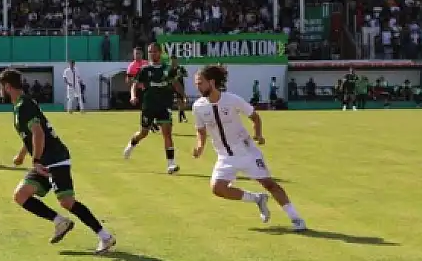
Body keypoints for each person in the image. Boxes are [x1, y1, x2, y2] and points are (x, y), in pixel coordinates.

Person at [0, 69, 115, 252]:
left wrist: (35, 159)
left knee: (67, 202)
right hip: (45, 160)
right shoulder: (22, 105)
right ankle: (60, 222)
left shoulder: (24, 106)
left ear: (7, 86)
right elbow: (30, 135)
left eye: (0, 87)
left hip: (54, 158)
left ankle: (105, 237)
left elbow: (38, 133)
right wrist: (22, 155)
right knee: (21, 195)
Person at [191, 65, 307, 231]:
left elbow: (255, 117)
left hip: (246, 152)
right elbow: (200, 130)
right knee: (217, 188)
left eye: (200, 82)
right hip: (224, 156)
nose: (197, 86)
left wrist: (258, 134)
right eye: (196, 83)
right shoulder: (198, 106)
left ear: (212, 82)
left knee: (269, 184)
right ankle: (257, 199)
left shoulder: (232, 99)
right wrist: (200, 146)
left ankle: (296, 219)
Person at [123, 43, 184, 174]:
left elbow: (175, 83)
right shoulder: (145, 69)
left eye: (155, 51)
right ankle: (132, 144)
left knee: (167, 133)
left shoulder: (167, 69)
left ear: (160, 53)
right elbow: (134, 85)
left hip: (164, 106)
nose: (152, 54)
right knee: (143, 133)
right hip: (149, 106)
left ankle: (171, 164)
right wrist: (133, 96)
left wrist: (183, 96)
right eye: (150, 52)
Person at [169, 57, 188, 122]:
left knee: (180, 102)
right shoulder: (169, 69)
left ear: (176, 60)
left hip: (180, 87)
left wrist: (181, 74)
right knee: (173, 102)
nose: (173, 62)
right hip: (172, 87)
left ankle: (181, 117)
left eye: (174, 60)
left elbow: (186, 74)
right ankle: (181, 117)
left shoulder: (181, 68)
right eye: (171, 61)